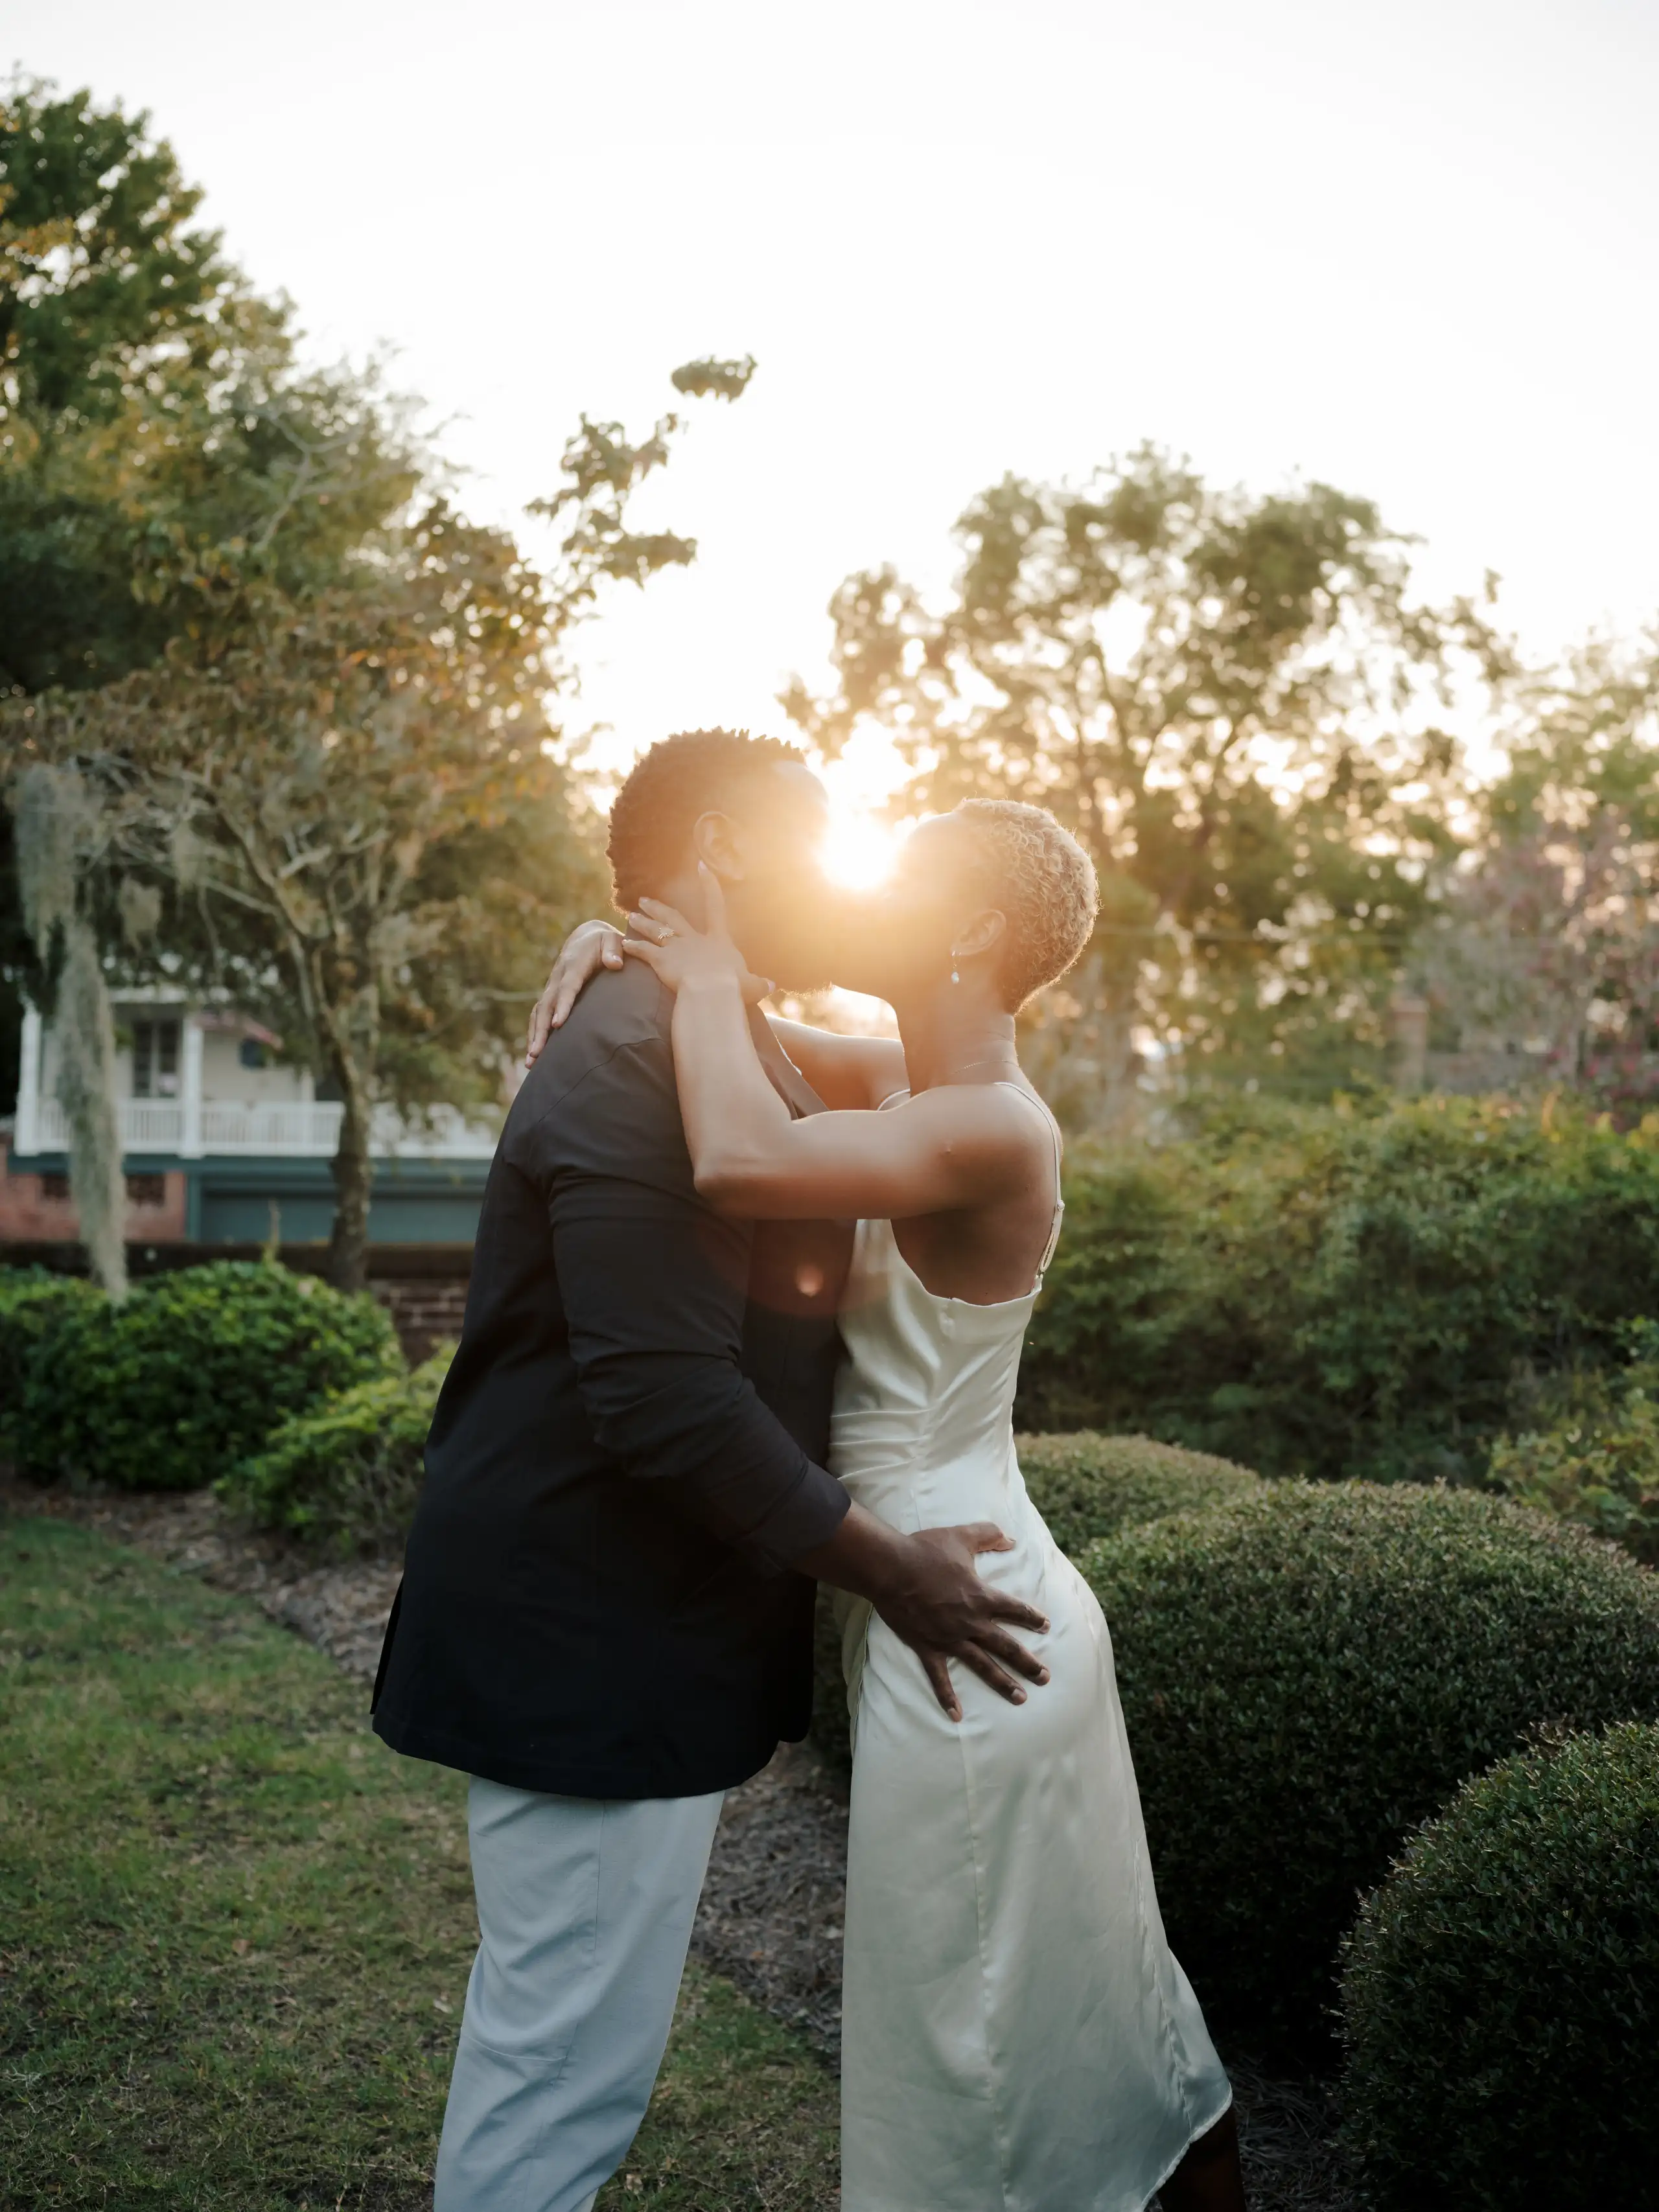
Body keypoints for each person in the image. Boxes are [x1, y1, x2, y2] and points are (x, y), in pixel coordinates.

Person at [372, 730, 1054, 2212]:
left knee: (564, 2034)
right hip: (591, 1626)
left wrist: (665, 962)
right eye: (813, 843)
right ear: (735, 853)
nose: (839, 880)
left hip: (629, 1612)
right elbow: (667, 1400)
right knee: (561, 2065)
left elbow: (920, 1073)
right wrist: (891, 1571)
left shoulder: (709, 1030)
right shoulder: (633, 1060)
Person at [536, 790, 1246, 2211]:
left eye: (896, 881)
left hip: (961, 1618)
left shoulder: (992, 1126)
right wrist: (602, 943)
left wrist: (717, 976)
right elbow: (721, 1040)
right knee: (1070, 1988)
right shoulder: (901, 1080)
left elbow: (741, 1154)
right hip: (935, 1578)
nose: (855, 897)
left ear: (974, 930)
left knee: (965, 2031)